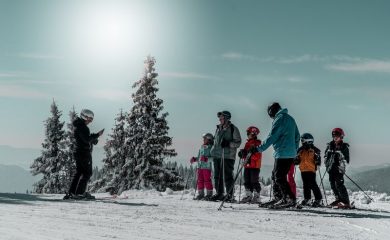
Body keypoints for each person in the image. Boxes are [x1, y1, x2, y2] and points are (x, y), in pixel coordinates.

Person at [250, 102, 300, 207]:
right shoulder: (290, 118)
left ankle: (289, 198)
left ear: (273, 111)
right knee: (275, 175)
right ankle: (279, 197)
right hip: (289, 153)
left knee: (279, 177)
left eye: (270, 115)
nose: (271, 117)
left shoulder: (280, 118)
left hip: (282, 152)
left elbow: (272, 136)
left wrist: (259, 149)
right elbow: (297, 136)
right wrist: (294, 151)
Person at [64, 109, 103, 200]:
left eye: (91, 119)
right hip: (84, 153)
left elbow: (85, 138)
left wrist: (93, 139)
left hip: (79, 152)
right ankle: (79, 193)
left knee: (79, 172)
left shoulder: (79, 126)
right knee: (87, 173)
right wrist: (97, 135)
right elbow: (86, 139)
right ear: (84, 116)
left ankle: (72, 192)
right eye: (89, 119)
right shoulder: (83, 127)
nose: (90, 121)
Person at [210, 111, 242, 202]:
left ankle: (229, 195)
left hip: (228, 155)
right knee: (217, 176)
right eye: (219, 118)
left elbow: (238, 142)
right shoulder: (218, 128)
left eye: (222, 118)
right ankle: (219, 193)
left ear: (227, 118)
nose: (220, 119)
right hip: (217, 155)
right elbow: (216, 142)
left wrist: (228, 143)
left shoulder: (233, 128)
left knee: (227, 176)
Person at [324, 128, 351, 208]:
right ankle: (338, 199)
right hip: (330, 168)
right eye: (334, 135)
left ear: (341, 136)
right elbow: (325, 156)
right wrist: (327, 161)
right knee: (332, 184)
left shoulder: (344, 147)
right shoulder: (329, 145)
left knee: (339, 184)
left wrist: (339, 156)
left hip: (339, 169)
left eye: (337, 136)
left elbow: (347, 160)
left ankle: (346, 201)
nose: (335, 137)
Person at [294, 133, 323, 207]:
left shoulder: (314, 149)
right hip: (303, 170)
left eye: (302, 140)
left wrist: (318, 161)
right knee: (305, 185)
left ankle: (318, 199)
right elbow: (297, 160)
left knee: (313, 184)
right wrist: (296, 160)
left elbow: (318, 157)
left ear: (307, 140)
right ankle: (307, 199)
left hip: (311, 169)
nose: (301, 141)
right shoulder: (300, 150)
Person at [237, 126, 262, 204]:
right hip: (247, 165)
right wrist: (242, 153)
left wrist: (251, 153)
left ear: (253, 134)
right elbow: (246, 154)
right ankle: (249, 195)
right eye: (247, 133)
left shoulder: (257, 143)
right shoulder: (247, 143)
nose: (247, 135)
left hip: (254, 166)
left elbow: (258, 156)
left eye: (248, 133)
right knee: (247, 180)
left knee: (254, 180)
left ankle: (257, 196)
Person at [190, 133, 214, 201]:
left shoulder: (211, 148)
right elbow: (200, 158)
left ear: (209, 139)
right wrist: (195, 159)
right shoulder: (202, 147)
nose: (203, 140)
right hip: (200, 167)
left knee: (207, 180)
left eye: (205, 138)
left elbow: (213, 158)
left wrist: (206, 159)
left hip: (206, 167)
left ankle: (209, 194)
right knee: (200, 180)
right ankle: (201, 194)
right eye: (203, 138)